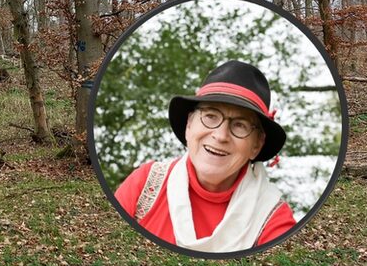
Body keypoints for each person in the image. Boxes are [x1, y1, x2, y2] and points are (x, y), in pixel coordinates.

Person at [114, 60, 296, 252]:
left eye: (240, 125)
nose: (220, 135)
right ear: (189, 124)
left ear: (256, 145)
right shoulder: (145, 185)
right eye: (210, 116)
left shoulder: (273, 218)